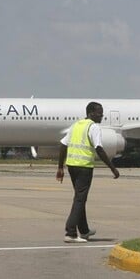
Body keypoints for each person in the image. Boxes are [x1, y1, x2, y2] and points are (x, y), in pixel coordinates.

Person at [56, 101, 120, 243]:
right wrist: (112, 168)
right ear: (91, 113)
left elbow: (63, 144)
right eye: (99, 112)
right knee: (80, 199)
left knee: (80, 198)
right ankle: (70, 232)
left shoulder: (76, 125)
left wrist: (60, 167)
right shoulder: (93, 127)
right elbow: (99, 149)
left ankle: (84, 230)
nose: (102, 115)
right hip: (84, 168)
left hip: (72, 166)